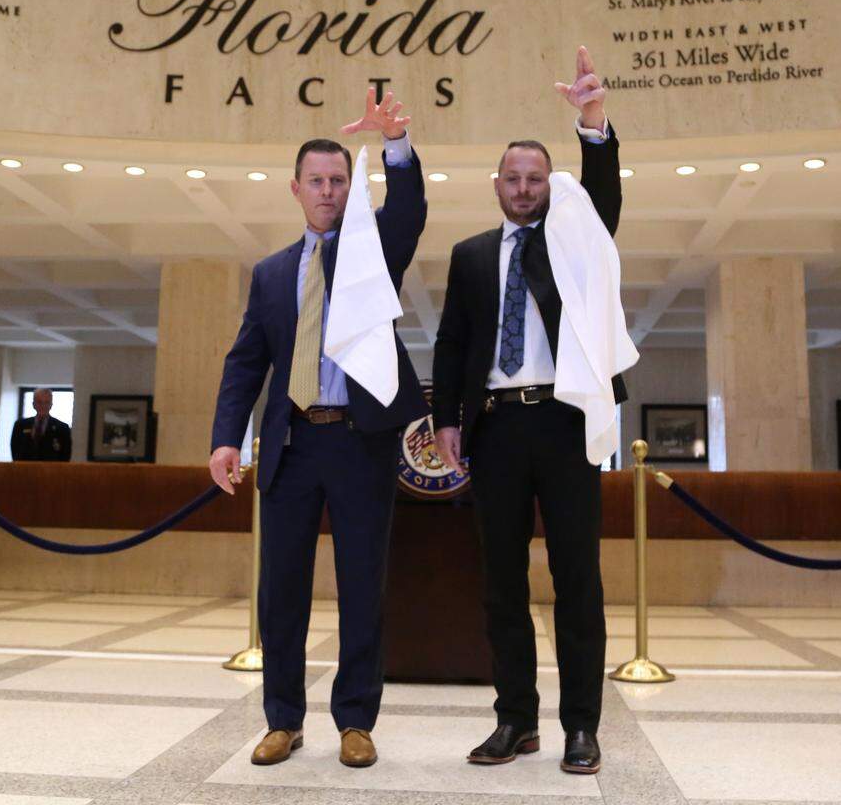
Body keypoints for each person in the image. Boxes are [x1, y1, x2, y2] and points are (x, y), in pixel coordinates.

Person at [209, 88, 428, 769]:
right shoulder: (272, 272)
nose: (328, 191)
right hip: (290, 445)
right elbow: (247, 360)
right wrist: (225, 436)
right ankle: (283, 719)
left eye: (339, 181)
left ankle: (356, 720)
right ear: (296, 189)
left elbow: (411, 211)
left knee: (363, 584)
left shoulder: (373, 250)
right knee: (282, 591)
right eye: (317, 181)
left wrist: (395, 148)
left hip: (360, 442)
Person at [431, 46, 627, 775]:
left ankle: (582, 725)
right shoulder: (471, 254)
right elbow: (452, 340)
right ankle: (516, 720)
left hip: (566, 422)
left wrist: (592, 123)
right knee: (501, 583)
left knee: (578, 579)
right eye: (512, 179)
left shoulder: (573, 237)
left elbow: (604, 201)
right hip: (498, 429)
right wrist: (446, 418)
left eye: (535, 179)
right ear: (495, 186)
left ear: (551, 185)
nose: (522, 189)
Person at [10, 388, 72, 461]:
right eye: (39, 402)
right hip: (24, 469)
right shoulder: (20, 425)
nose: (43, 406)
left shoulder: (62, 428)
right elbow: (15, 449)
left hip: (51, 470)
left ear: (51, 405)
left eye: (46, 402)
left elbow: (66, 455)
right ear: (33, 404)